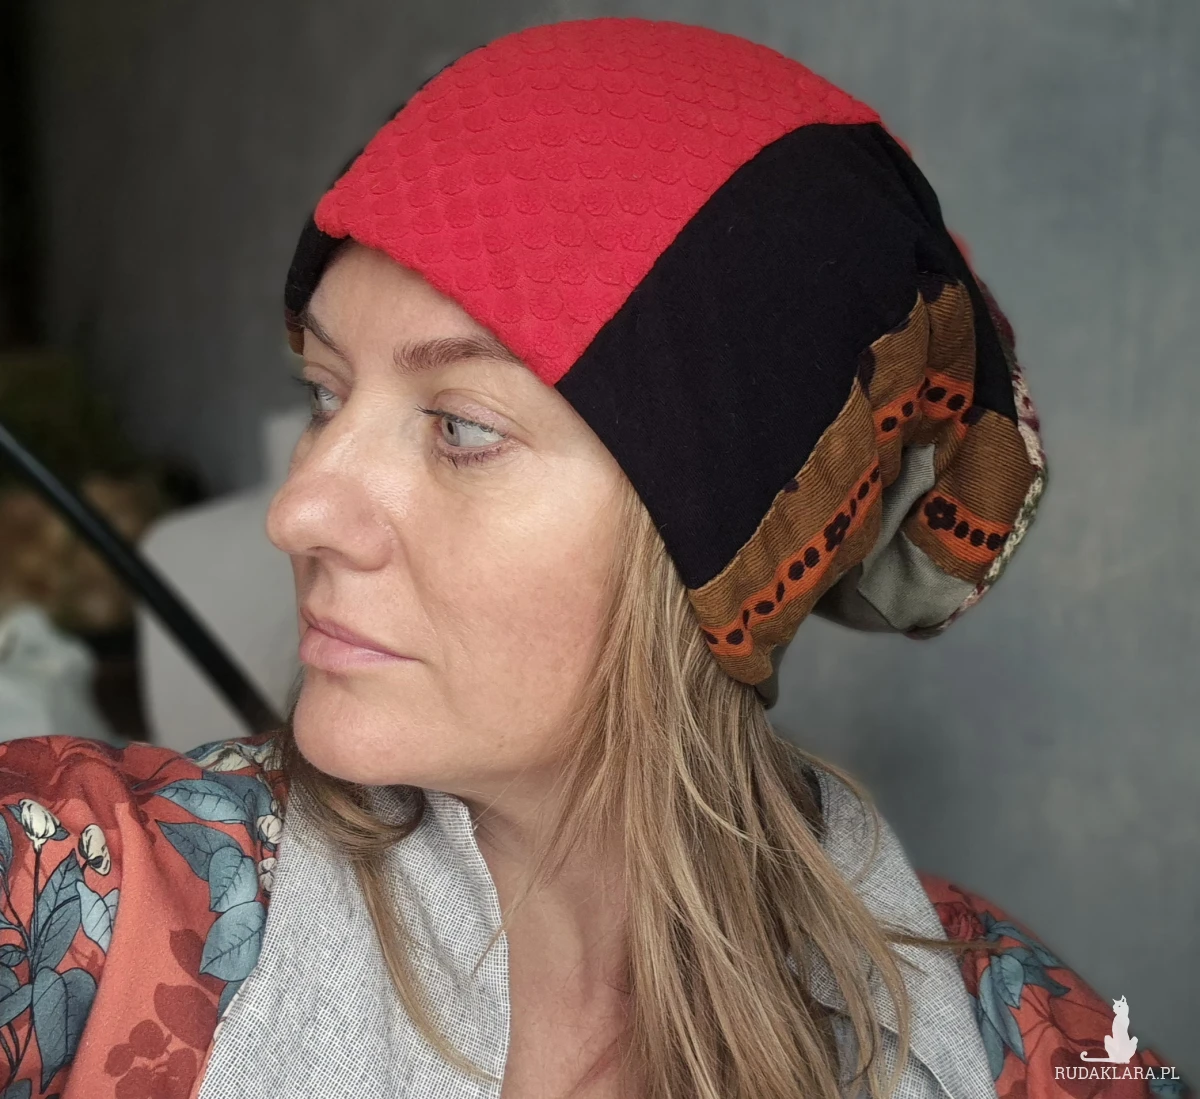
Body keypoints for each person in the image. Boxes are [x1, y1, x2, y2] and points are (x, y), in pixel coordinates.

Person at [0, 17, 1188, 1099]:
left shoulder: (1015, 1043)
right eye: (325, 392)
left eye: (461, 427)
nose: (297, 509)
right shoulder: (93, 898)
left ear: (718, 553)